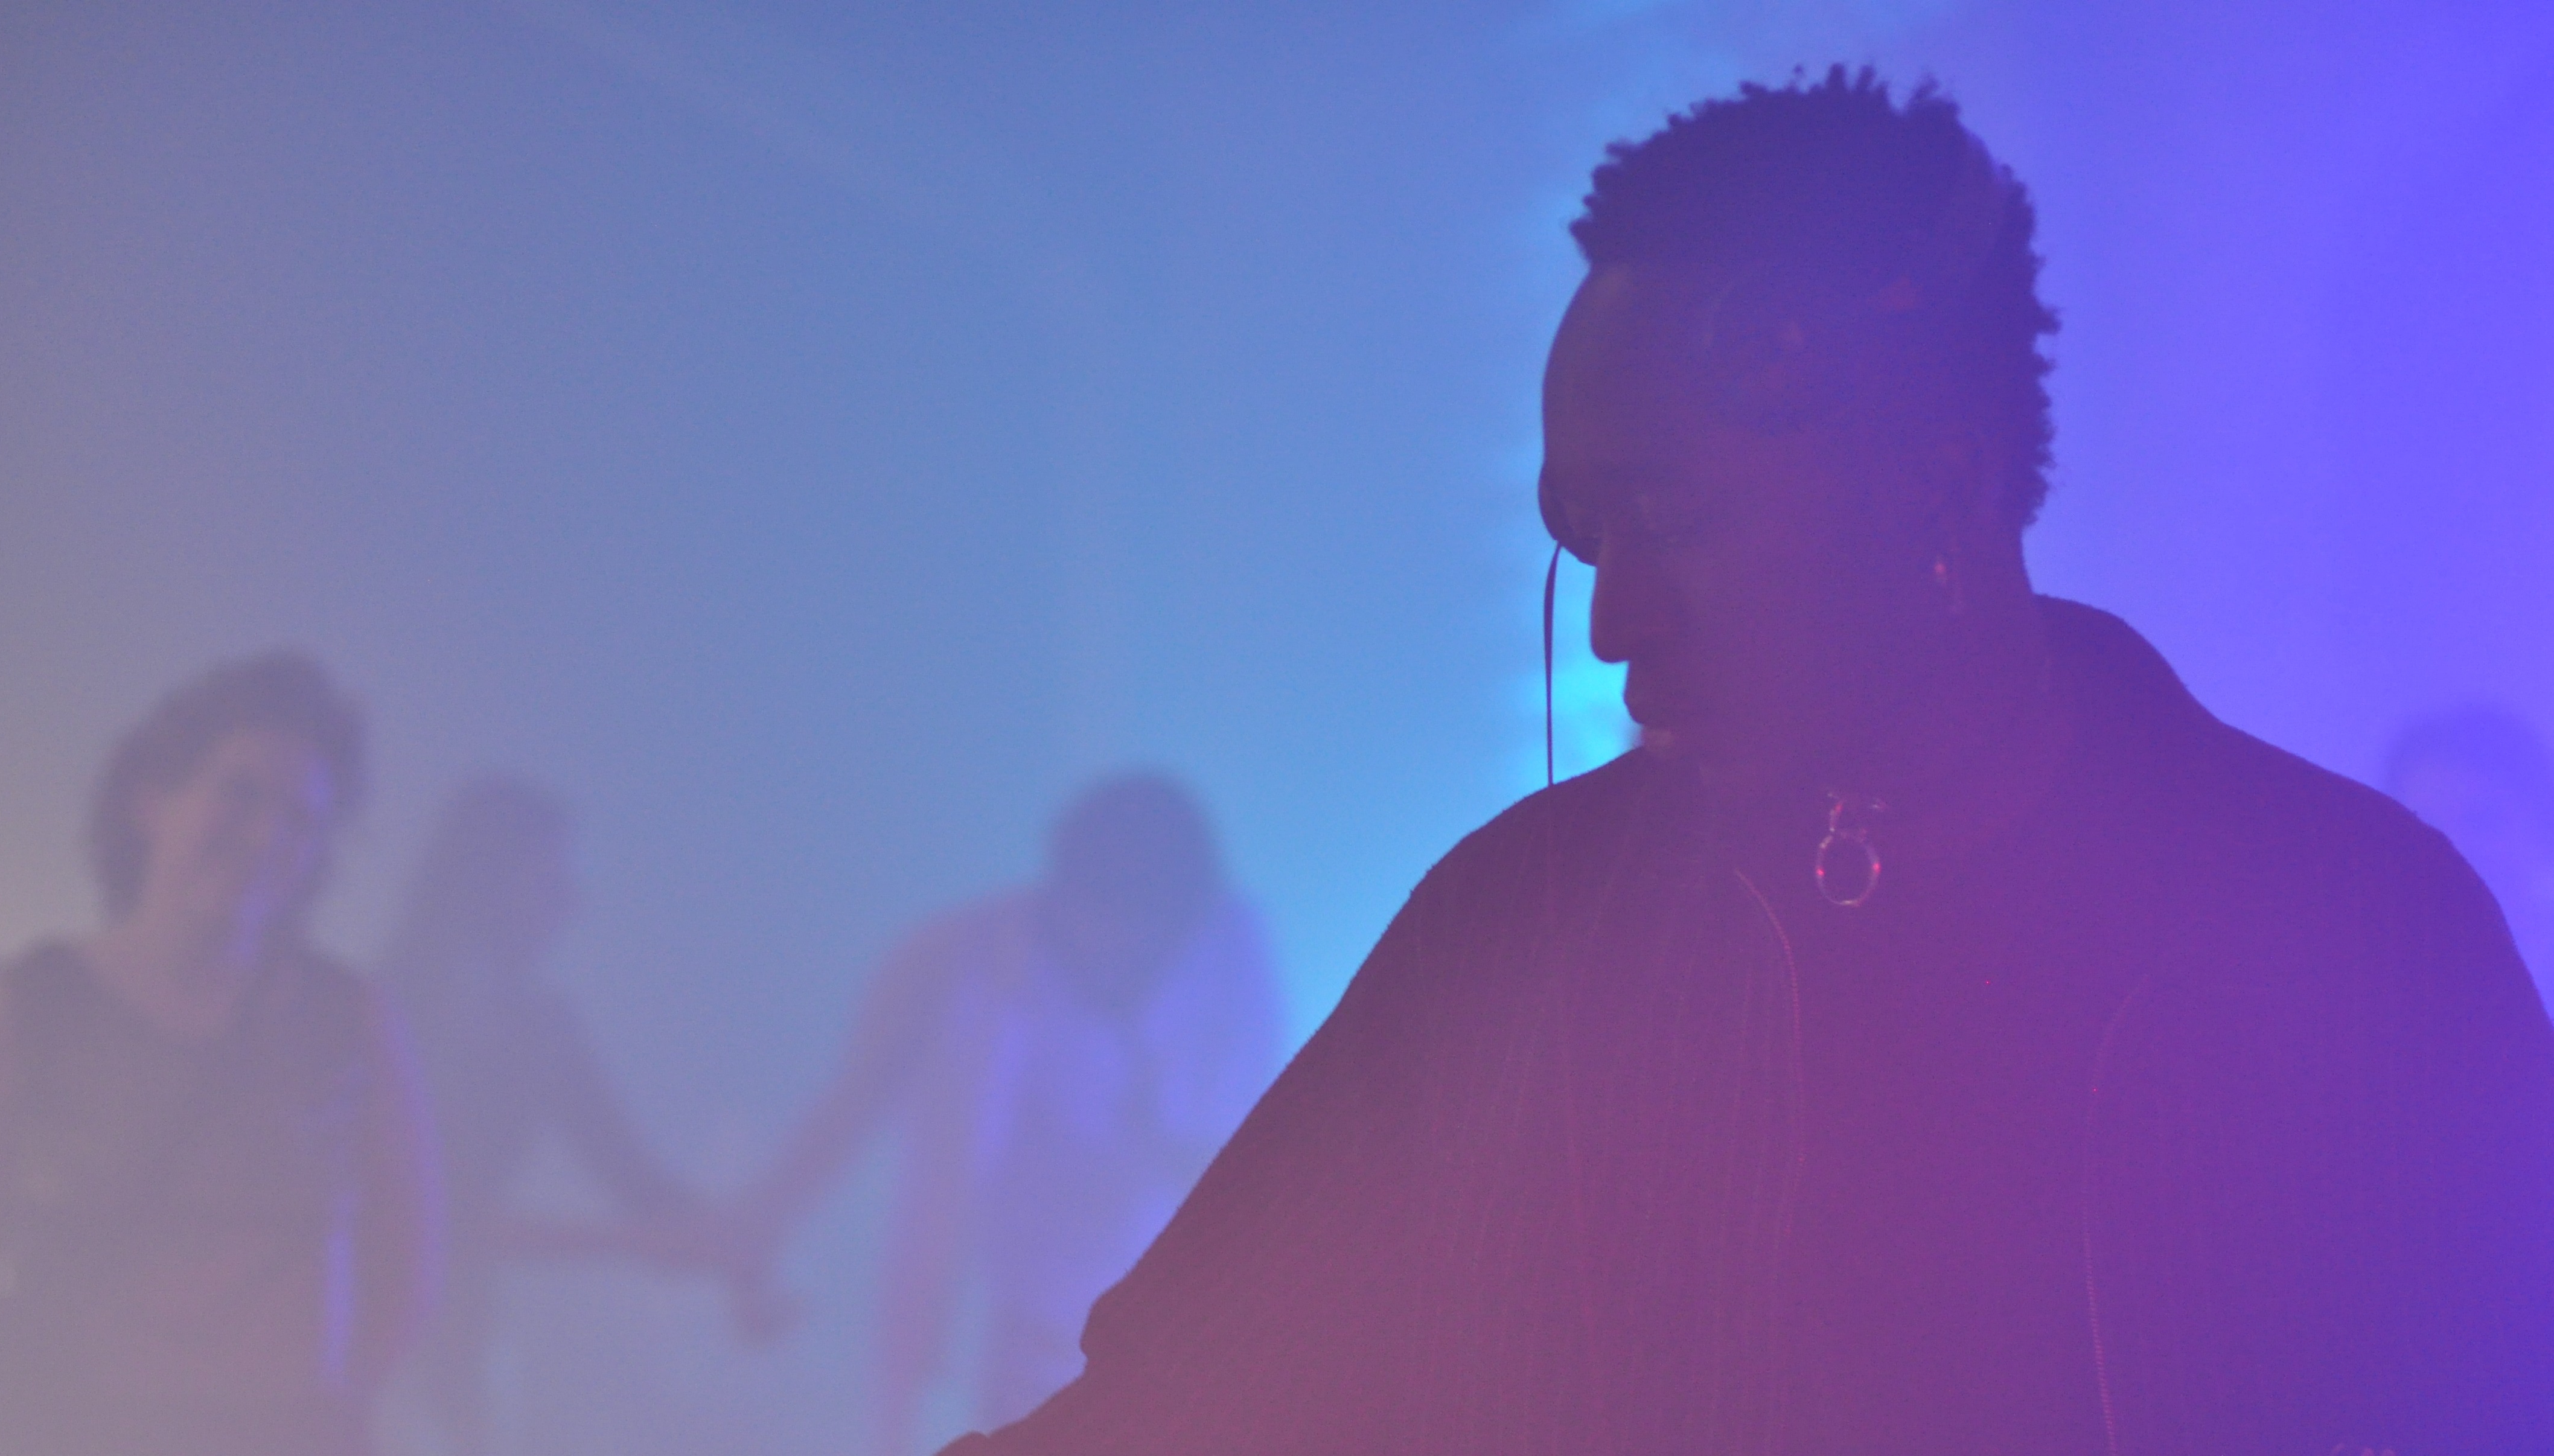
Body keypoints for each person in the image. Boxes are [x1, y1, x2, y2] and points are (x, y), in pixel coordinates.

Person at [943, 71, 2554, 1455]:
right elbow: (1173, 1406)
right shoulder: (1516, 928)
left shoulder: (2362, 936)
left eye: (1679, 517)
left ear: (1941, 482)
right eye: (1588, 531)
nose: (1614, 619)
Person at [713, 773, 1282, 1456]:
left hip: (1182, 1331)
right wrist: (762, 1219)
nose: (1122, 947)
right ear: (1064, 893)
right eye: (1106, 913)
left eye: (1147, 929)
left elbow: (1264, 1162)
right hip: (1023, 1323)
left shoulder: (1232, 953)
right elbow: (853, 1106)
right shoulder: (959, 959)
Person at [0, 651, 441, 1455]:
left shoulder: (350, 1022)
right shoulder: (25, 1010)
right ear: (150, 800)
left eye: (300, 820)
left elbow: (409, 1267)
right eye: (240, 794)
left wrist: (329, 1409)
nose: (264, 837)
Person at [375, 776, 718, 1456]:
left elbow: (636, 1178)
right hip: (374, 1342)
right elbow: (434, 1214)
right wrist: (638, 1241)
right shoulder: (390, 1010)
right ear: (490, 877)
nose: (572, 901)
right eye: (551, 876)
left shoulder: (543, 1023)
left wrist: (729, 1231)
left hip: (462, 1340)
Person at [2386, 704, 2554, 999]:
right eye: (2427, 827)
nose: (2455, 846)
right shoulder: (2379, 987)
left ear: (2540, 823)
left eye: (2479, 820)